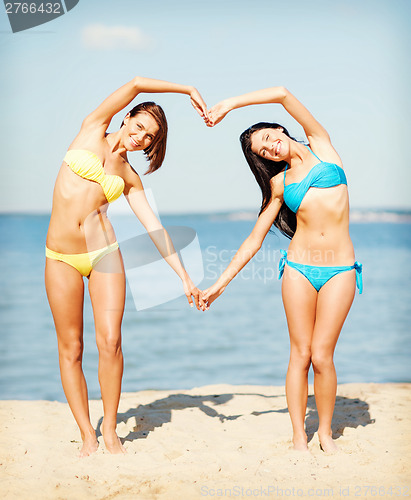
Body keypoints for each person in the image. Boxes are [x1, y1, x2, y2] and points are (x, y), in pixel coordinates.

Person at [45, 77, 208, 457]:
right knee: (71, 348)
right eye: (139, 127)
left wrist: (184, 277)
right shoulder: (91, 129)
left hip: (104, 254)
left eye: (150, 137)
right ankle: (88, 433)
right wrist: (186, 91)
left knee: (111, 341)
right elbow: (135, 83)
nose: (141, 138)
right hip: (61, 256)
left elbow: (156, 230)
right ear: (127, 117)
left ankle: (112, 429)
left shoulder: (130, 177)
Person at [203, 86, 362, 453]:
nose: (270, 147)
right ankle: (298, 436)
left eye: (269, 137)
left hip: (340, 269)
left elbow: (282, 93)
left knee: (323, 355)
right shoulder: (279, 183)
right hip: (298, 269)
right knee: (300, 353)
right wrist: (218, 285)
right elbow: (253, 240)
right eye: (262, 149)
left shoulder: (322, 144)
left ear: (281, 130)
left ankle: (325, 432)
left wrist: (229, 104)